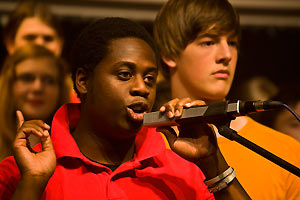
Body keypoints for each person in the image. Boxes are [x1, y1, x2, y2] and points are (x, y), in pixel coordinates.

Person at [0, 17, 250, 199]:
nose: (142, 88)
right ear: (83, 81)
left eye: (150, 79)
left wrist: (213, 163)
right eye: (125, 74)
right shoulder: (21, 171)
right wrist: (32, 183)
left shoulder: (179, 172)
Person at [153, 0, 300, 199]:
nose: (226, 55)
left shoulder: (286, 151)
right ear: (169, 53)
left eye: (232, 43)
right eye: (208, 42)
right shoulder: (142, 144)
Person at [0, 44, 70, 161]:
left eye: (49, 80)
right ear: (9, 84)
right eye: (27, 78)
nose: (38, 88)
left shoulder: (75, 145)